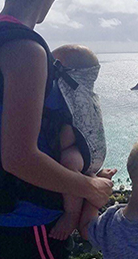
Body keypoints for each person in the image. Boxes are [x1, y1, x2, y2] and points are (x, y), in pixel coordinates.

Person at [0, 0, 113, 259]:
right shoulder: (26, 49)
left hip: (14, 216)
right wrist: (90, 187)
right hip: (31, 221)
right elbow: (19, 157)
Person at [49, 44, 116, 240]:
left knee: (68, 161)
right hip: (94, 153)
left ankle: (72, 213)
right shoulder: (83, 93)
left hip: (82, 155)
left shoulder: (69, 92)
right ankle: (96, 177)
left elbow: (69, 135)